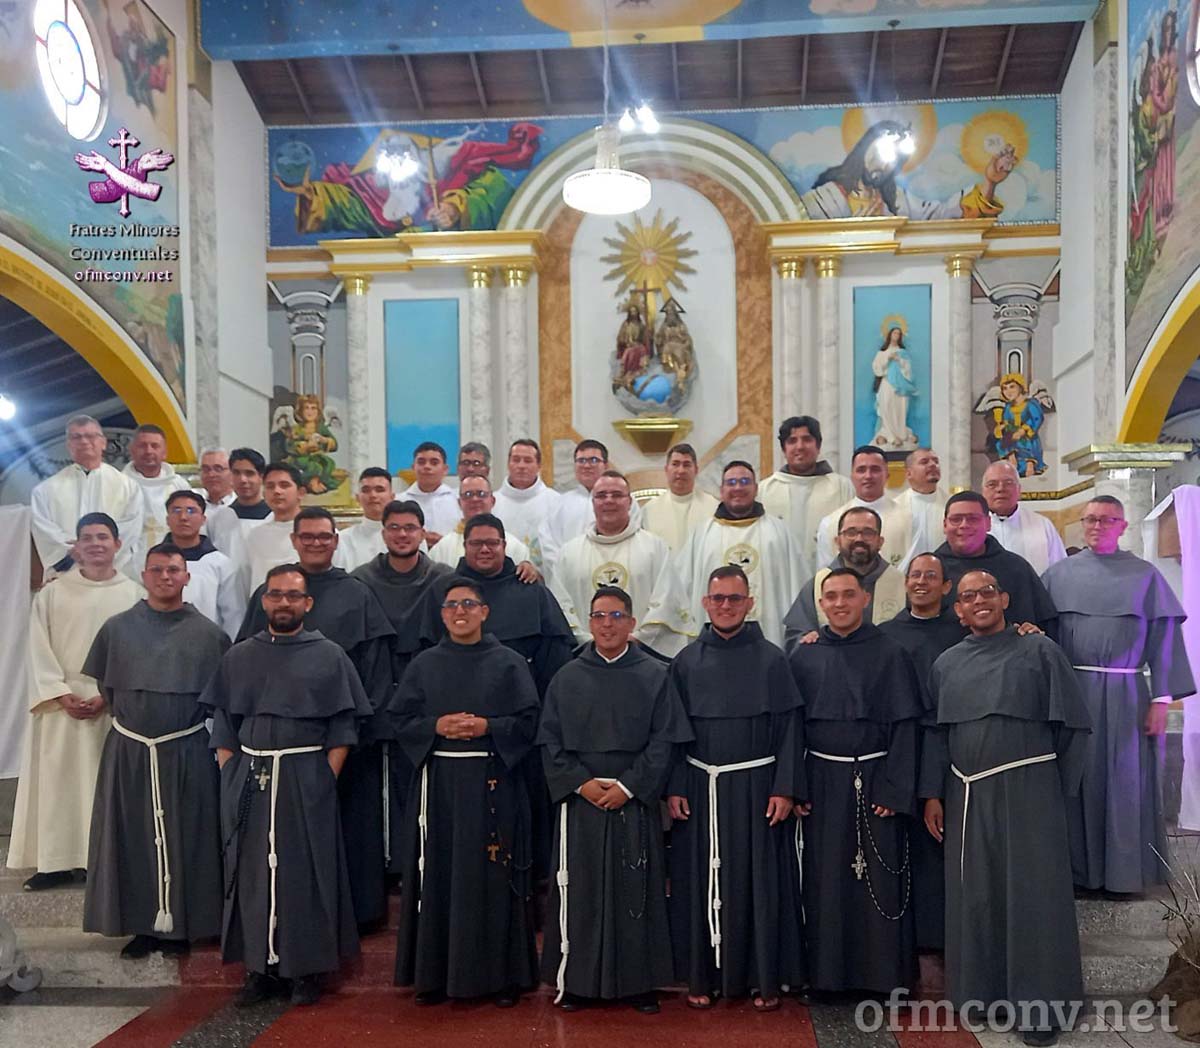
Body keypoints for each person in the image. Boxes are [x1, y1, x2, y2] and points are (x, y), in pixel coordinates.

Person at [925, 571, 1089, 1046]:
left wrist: (1051, 790)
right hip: (967, 793)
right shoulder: (946, 664)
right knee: (977, 895)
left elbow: (1073, 727)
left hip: (1029, 791)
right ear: (958, 611)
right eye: (968, 596)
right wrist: (933, 795)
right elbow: (938, 734)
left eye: (987, 592)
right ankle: (982, 995)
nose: (979, 600)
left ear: (1004, 599)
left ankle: (1041, 1008)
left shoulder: (1039, 651)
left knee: (1032, 896)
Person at [203, 564, 372, 1007]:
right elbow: (224, 723)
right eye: (276, 594)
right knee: (252, 873)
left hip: (305, 776)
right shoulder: (240, 656)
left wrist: (323, 777)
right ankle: (259, 970)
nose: (284, 602)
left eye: (293, 595)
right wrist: (232, 774)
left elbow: (343, 727)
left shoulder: (330, 655)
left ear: (307, 603)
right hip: (250, 775)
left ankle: (306, 971)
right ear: (264, 600)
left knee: (306, 873)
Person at [239, 507, 397, 929]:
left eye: (323, 536)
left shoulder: (357, 592)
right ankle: (291, 917)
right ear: (293, 540)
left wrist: (360, 727)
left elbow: (376, 665)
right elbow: (248, 657)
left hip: (347, 735)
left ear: (335, 540)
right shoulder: (272, 592)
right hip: (280, 743)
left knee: (350, 828)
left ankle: (357, 915)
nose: (315, 543)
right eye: (306, 536)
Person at [538, 586, 693, 1013]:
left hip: (633, 798)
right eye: (599, 616)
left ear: (631, 622)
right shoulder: (567, 677)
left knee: (635, 889)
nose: (607, 624)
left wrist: (628, 786)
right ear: (589, 623)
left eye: (616, 616)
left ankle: (638, 984)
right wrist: (581, 783)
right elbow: (549, 740)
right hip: (581, 800)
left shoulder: (655, 675)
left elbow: (665, 740)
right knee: (580, 890)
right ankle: (577, 981)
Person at [392, 578, 541, 1006]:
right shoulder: (423, 664)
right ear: (442, 615)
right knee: (439, 875)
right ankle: (434, 976)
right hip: (439, 787)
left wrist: (487, 726)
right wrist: (436, 726)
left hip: (493, 784)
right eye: (452, 605)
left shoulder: (509, 663)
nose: (460, 612)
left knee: (493, 879)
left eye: (469, 604)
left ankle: (502, 979)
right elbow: (399, 720)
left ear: (484, 612)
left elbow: (530, 724)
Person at [666, 566, 805, 1011]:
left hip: (757, 788)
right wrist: (674, 785)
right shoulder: (686, 661)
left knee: (758, 884)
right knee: (700, 881)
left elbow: (790, 728)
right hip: (699, 787)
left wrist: (785, 788)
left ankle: (763, 978)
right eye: (718, 598)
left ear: (750, 603)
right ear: (706, 603)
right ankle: (702, 975)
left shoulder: (772, 659)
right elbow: (672, 731)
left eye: (734, 598)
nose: (726, 605)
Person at [82, 543, 229, 959]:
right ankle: (140, 925)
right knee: (133, 836)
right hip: (131, 750)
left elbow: (218, 699)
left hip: (186, 748)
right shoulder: (116, 629)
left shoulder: (210, 635)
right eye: (157, 569)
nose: (166, 577)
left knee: (189, 836)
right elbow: (109, 690)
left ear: (187, 577)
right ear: (144, 576)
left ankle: (184, 924)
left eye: (174, 570)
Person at [1042, 496, 1196, 894]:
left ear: (1122, 527)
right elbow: (1045, 641)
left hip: (1128, 696)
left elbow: (1165, 641)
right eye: (1091, 519)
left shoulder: (1145, 576)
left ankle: (1124, 875)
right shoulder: (1058, 575)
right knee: (1078, 781)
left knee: (1125, 782)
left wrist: (1161, 699)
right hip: (1074, 694)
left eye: (1107, 520)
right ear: (1082, 524)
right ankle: (1080, 874)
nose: (1098, 526)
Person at [788, 569, 922, 994]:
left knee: (878, 877)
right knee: (825, 879)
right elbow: (791, 729)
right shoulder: (804, 656)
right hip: (822, 780)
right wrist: (796, 786)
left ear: (865, 599)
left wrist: (895, 789)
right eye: (831, 596)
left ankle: (883, 978)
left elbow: (906, 726)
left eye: (848, 595)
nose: (840, 603)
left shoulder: (891, 653)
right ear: (821, 604)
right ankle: (826, 978)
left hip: (877, 780)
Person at [8, 513, 143, 889]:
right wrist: (58, 691)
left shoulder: (134, 595)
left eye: (103, 536)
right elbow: (36, 646)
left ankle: (94, 860)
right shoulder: (52, 594)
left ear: (117, 544)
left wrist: (106, 694)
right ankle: (54, 862)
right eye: (87, 537)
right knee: (57, 784)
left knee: (99, 785)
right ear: (76, 547)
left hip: (108, 704)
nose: (95, 543)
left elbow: (137, 654)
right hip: (60, 704)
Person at [351, 499, 451, 874]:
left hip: (426, 697)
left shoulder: (443, 578)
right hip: (376, 692)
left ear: (423, 533)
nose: (402, 534)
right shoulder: (361, 580)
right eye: (394, 527)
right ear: (383, 533)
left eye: (410, 528)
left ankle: (420, 868)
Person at [878, 553, 965, 953]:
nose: (921, 582)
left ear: (946, 587)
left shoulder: (962, 632)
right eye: (915, 575)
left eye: (931, 576)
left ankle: (939, 940)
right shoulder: (884, 634)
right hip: (895, 747)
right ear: (905, 583)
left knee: (938, 841)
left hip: (945, 745)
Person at [551, 471, 695, 656]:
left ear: (630, 502)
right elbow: (560, 605)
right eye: (601, 495)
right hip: (586, 655)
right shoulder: (569, 553)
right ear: (593, 503)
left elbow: (666, 599)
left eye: (617, 495)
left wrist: (637, 638)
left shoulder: (654, 547)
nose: (609, 500)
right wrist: (590, 640)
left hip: (643, 654)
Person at [678, 462, 805, 649]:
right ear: (721, 490)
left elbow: (799, 586)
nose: (738, 487)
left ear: (756, 488)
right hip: (712, 648)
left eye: (745, 481)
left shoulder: (778, 533)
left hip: (769, 641)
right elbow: (681, 588)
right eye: (731, 482)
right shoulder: (702, 535)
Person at [30, 414, 142, 577]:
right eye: (77, 437)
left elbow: (130, 528)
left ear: (103, 443)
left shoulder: (128, 487)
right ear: (69, 445)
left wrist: (95, 551)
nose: (84, 441)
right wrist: (75, 551)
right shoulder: (44, 491)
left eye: (90, 436)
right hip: (67, 572)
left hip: (114, 573)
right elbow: (45, 531)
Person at [935, 491, 1058, 635]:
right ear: (945, 525)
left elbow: (1045, 624)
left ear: (988, 523)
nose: (964, 525)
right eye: (956, 519)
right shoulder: (930, 573)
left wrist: (1033, 633)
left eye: (973, 519)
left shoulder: (1016, 568)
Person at [784, 506, 906, 644]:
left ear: (880, 541)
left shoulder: (901, 584)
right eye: (851, 532)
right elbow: (796, 636)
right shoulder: (818, 584)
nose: (859, 539)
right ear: (838, 541)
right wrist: (809, 640)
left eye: (868, 533)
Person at [759, 416, 854, 577]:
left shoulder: (841, 487)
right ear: (783, 449)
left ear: (818, 446)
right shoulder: (765, 490)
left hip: (831, 578)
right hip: (779, 576)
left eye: (807, 439)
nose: (800, 446)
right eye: (792, 441)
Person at [815, 444, 917, 571]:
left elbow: (915, 566)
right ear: (852, 476)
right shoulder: (830, 523)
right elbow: (825, 571)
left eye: (875, 469)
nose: (868, 476)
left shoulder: (911, 519)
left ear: (887, 475)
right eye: (861, 470)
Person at [164, 490, 246, 639]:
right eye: (176, 511)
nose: (183, 517)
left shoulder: (220, 564)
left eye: (191, 511)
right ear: (167, 519)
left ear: (203, 519)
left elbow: (233, 615)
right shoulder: (153, 561)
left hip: (207, 643)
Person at [429, 475, 533, 571]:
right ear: (459, 503)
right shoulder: (442, 548)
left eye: (481, 494)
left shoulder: (516, 547)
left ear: (493, 501)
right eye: (468, 494)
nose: (475, 499)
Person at [539, 438, 611, 577]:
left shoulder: (620, 502)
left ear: (606, 465)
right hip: (569, 575)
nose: (587, 466)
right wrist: (567, 568)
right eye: (581, 461)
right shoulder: (559, 504)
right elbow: (548, 543)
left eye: (594, 460)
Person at [982, 461, 1067, 575]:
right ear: (983, 491)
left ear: (1019, 490)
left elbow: (1060, 571)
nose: (1000, 489)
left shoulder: (1042, 525)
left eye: (1008, 483)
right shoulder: (974, 526)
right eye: (992, 484)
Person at [123, 424, 193, 562]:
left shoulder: (178, 485)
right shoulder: (120, 484)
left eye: (155, 446)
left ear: (164, 452)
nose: (148, 451)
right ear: (132, 450)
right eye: (142, 446)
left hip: (173, 559)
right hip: (130, 561)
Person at [493, 438, 562, 567]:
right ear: (508, 464)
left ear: (539, 466)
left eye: (528, 460)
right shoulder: (493, 502)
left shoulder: (555, 502)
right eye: (516, 460)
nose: (521, 466)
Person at [640, 443, 719, 554]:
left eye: (686, 465)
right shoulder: (649, 510)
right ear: (666, 469)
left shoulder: (714, 507)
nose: (681, 471)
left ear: (696, 470)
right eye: (675, 464)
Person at [241, 462, 307, 591]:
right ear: (264, 494)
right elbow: (246, 580)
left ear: (301, 492)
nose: (277, 491)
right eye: (270, 486)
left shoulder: (317, 534)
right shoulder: (255, 536)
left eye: (284, 485)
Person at [398, 442, 459, 545]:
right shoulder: (400, 501)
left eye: (434, 463)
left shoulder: (458, 500)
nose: (427, 466)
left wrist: (444, 543)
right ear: (413, 467)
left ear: (445, 469)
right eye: (421, 462)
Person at [894, 448, 947, 557]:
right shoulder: (893, 508)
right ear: (909, 473)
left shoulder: (951, 505)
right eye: (924, 462)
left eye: (936, 461)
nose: (933, 465)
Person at [338, 467, 394, 571]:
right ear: (357, 498)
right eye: (366, 490)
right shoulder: (343, 539)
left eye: (379, 490)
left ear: (392, 497)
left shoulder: (406, 537)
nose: (373, 495)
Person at [196, 447, 244, 558]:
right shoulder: (195, 508)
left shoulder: (241, 508)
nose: (211, 474)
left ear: (232, 472)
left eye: (218, 469)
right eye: (206, 469)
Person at [228, 447, 272, 526]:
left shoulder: (274, 516)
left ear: (261, 477)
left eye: (249, 473)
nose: (242, 480)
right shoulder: (221, 517)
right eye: (236, 473)